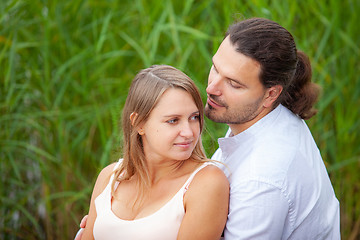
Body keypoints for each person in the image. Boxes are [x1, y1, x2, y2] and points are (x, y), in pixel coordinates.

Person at [77, 17, 340, 239]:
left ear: (271, 94)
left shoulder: (262, 179)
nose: (212, 88)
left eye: (234, 84)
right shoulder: (257, 118)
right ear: (138, 123)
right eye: (215, 68)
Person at [79, 65, 229, 240]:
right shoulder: (110, 178)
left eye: (194, 117)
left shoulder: (206, 183)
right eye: (173, 120)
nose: (189, 132)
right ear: (139, 123)